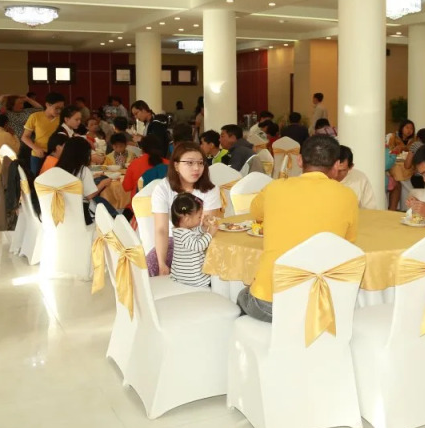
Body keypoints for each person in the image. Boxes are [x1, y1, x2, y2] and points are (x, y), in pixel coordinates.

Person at [238, 135, 359, 322]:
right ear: (337, 164)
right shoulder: (348, 196)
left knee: (242, 295)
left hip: (270, 303)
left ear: (300, 160)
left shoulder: (275, 188)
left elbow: (255, 212)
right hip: (319, 304)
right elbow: (347, 243)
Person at [152, 141, 222, 277]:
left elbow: (206, 227)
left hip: (202, 243)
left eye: (200, 163)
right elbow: (161, 229)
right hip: (174, 241)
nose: (196, 168)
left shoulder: (210, 190)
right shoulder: (163, 189)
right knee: (151, 268)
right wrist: (161, 263)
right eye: (190, 163)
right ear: (176, 166)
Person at [54, 137, 113, 224]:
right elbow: (90, 195)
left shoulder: (57, 168)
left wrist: (91, 177)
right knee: (103, 204)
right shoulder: (83, 170)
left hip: (60, 212)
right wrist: (103, 183)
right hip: (81, 214)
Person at [168, 193, 218, 288]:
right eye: (199, 217)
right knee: (218, 274)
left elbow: (194, 233)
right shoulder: (184, 235)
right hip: (194, 278)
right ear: (187, 219)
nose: (201, 218)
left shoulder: (180, 231)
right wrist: (210, 233)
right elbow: (199, 246)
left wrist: (203, 227)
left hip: (181, 275)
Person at [22, 92, 65, 175]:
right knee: (37, 179)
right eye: (56, 108)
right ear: (47, 105)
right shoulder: (35, 117)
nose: (59, 111)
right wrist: (36, 148)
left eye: (61, 108)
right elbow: (25, 137)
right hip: (38, 155)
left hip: (57, 155)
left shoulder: (62, 119)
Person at [386, 119, 416, 211]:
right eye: (407, 127)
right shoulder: (394, 137)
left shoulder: (414, 140)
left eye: (411, 128)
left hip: (408, 163)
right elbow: (390, 150)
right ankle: (403, 205)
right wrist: (396, 149)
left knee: (402, 173)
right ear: (402, 128)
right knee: (397, 172)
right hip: (396, 161)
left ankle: (404, 205)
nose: (409, 130)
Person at [336, 145, 376, 209]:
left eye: (341, 171)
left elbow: (370, 207)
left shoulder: (360, 179)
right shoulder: (322, 177)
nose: (336, 173)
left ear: (350, 167)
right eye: (333, 169)